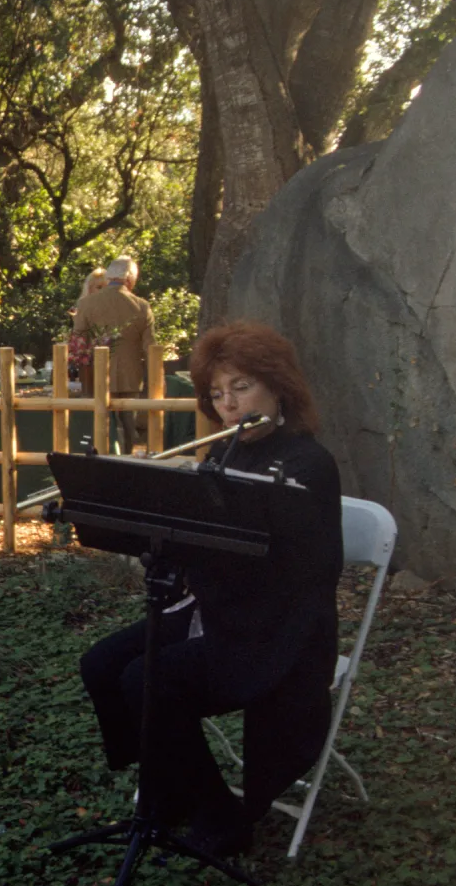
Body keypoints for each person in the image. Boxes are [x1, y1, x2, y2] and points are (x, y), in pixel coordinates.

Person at [79, 321, 342, 857]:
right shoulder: (223, 452)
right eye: (217, 394)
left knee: (148, 681)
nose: (227, 405)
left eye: (241, 387)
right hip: (215, 610)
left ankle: (222, 816)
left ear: (277, 386)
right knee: (101, 665)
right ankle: (172, 782)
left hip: (271, 630)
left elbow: (300, 572)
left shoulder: (308, 463)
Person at [72, 256, 154, 452]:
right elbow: (151, 347)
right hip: (130, 376)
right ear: (130, 279)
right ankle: (127, 465)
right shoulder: (142, 306)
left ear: (109, 277)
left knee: (100, 426)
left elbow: (78, 343)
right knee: (128, 429)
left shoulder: (87, 305)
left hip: (96, 376)